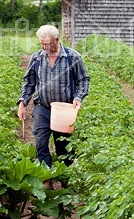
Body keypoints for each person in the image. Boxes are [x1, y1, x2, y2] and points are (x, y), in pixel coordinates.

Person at [17, 25, 90, 168]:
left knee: (63, 147)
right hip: (42, 108)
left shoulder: (73, 57)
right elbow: (29, 82)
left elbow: (83, 80)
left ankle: (65, 178)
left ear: (57, 40)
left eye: (47, 44)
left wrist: (78, 97)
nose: (44, 47)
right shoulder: (37, 58)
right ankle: (47, 178)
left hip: (64, 111)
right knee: (40, 143)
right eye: (41, 44)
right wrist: (22, 103)